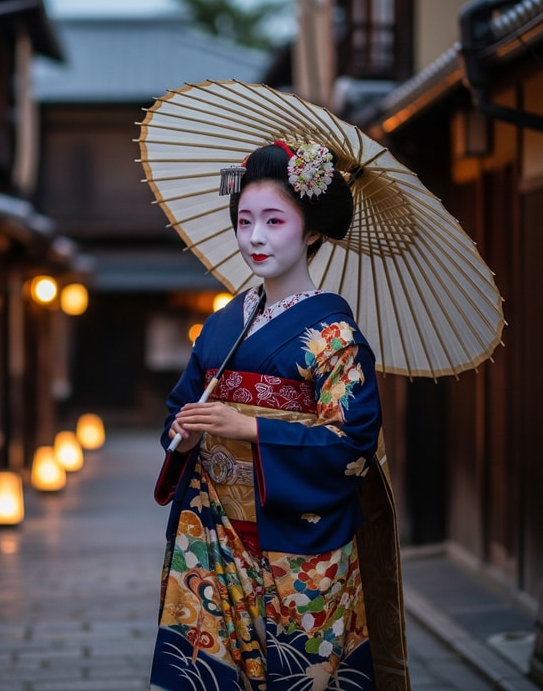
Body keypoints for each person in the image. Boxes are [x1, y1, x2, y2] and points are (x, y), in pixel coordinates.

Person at [150, 140, 409, 691]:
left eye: (274, 220)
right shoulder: (222, 324)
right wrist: (184, 432)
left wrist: (249, 428)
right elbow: (181, 407)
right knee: (199, 676)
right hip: (213, 536)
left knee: (296, 675)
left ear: (312, 230)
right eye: (244, 221)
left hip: (299, 546)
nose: (256, 237)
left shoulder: (335, 338)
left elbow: (352, 442)